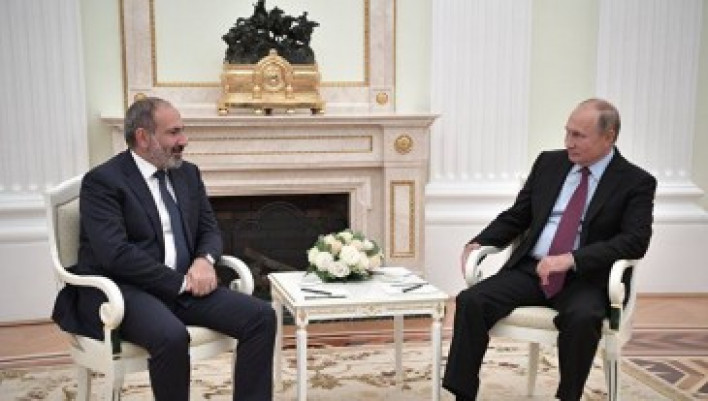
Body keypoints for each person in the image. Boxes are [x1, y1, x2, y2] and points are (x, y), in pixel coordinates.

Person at [51, 97, 276, 401]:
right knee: (171, 336)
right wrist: (180, 282)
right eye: (173, 133)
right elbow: (115, 254)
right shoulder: (103, 182)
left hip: (183, 286)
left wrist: (204, 261)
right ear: (143, 137)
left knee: (261, 316)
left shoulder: (187, 174)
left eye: (182, 130)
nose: (184, 140)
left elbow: (209, 229)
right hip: (125, 291)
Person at [442, 98, 656, 401]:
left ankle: (568, 397)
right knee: (471, 301)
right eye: (567, 132)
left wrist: (571, 259)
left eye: (578, 135)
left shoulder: (636, 182)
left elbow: (635, 241)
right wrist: (479, 242)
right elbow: (518, 215)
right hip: (532, 270)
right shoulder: (549, 163)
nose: (568, 142)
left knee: (583, 318)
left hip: (587, 278)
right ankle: (463, 395)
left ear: (609, 137)